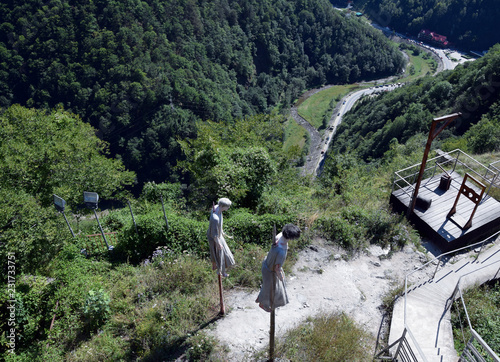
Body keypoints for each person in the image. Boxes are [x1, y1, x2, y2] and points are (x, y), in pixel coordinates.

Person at [256, 223, 301, 312]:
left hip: (267, 263)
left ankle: (267, 302)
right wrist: (280, 277)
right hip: (270, 271)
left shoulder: (279, 236)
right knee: (269, 289)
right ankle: (263, 304)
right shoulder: (281, 252)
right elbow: (277, 268)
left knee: (269, 287)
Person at [207, 198, 235, 277]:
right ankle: (221, 272)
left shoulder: (217, 207)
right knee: (220, 253)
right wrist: (218, 243)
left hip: (217, 235)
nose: (228, 208)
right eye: (227, 206)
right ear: (222, 206)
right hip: (214, 237)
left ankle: (215, 265)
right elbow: (214, 234)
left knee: (222, 252)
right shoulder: (215, 218)